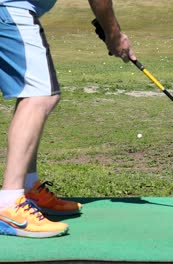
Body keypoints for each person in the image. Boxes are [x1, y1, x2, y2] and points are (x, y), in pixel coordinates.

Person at [0, 0, 136, 238]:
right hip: (10, 9)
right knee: (39, 95)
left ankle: (28, 188)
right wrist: (114, 34)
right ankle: (9, 205)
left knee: (39, 94)